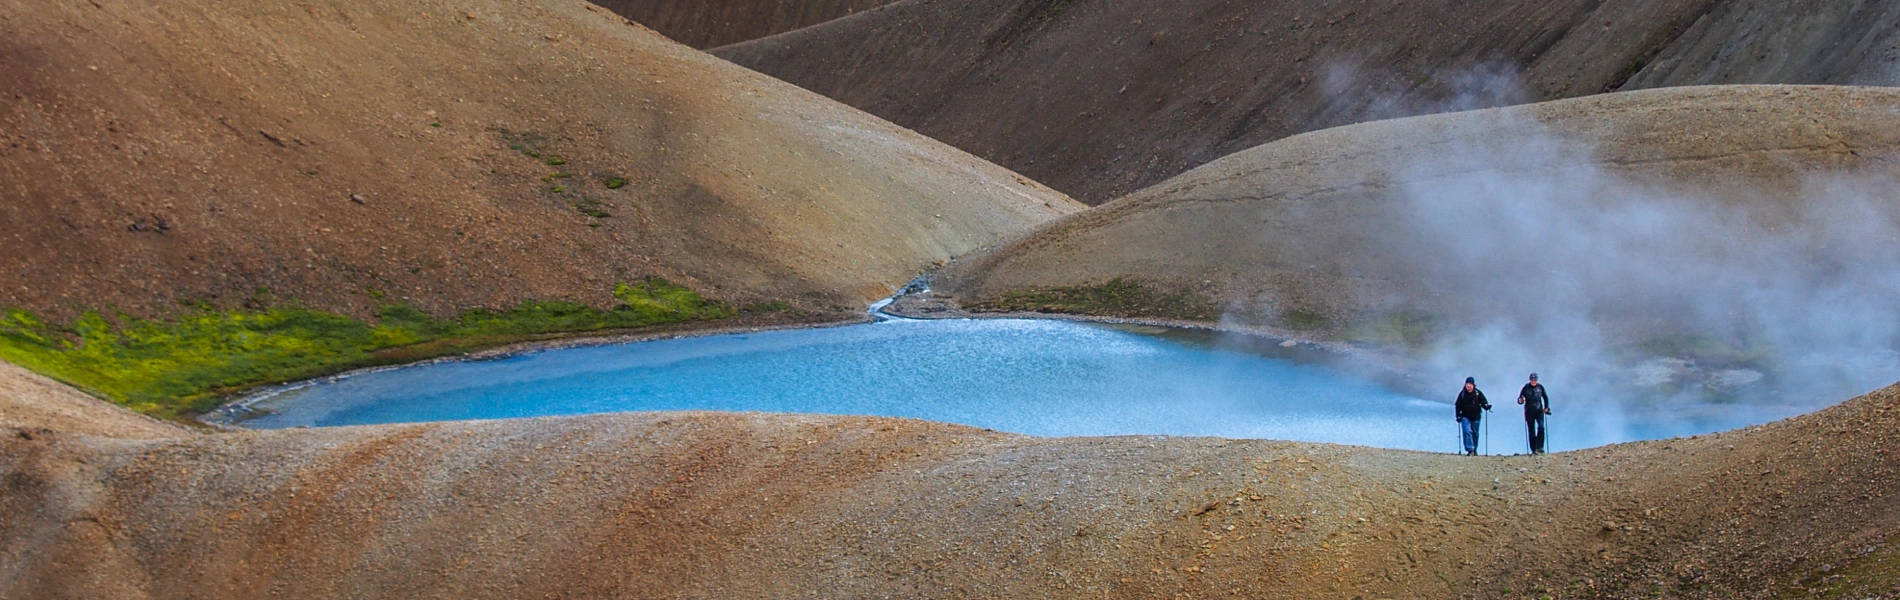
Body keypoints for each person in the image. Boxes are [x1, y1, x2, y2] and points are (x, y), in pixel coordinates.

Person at [1454, 376, 1491, 456]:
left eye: (1470, 384)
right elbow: (1457, 405)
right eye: (1467, 383)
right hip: (1465, 416)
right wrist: (1458, 416)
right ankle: (1470, 449)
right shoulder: (1462, 394)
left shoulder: (1478, 393)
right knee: (1467, 431)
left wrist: (1486, 406)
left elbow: (1483, 402)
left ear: (1473, 385)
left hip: (1476, 416)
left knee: (1475, 433)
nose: (1468, 386)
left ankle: (1474, 448)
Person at [1517, 373, 1552, 454]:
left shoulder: (1540, 387)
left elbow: (1545, 397)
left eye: (1535, 379)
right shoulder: (1526, 388)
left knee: (1541, 427)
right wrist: (1521, 400)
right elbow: (1519, 399)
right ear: (1530, 380)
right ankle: (1534, 448)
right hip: (1529, 412)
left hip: (1539, 411)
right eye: (1532, 379)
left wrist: (1546, 407)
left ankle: (1540, 446)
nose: (1533, 381)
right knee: (1531, 430)